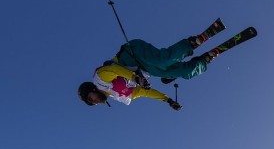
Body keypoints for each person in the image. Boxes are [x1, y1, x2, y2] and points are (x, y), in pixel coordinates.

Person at [77, 18, 226, 110]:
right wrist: (167, 100)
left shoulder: (99, 80)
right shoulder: (120, 97)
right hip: (145, 69)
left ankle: (193, 43)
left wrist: (135, 78)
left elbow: (113, 69)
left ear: (90, 89)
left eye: (90, 98)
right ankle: (203, 61)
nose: (94, 101)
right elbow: (144, 92)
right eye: (92, 103)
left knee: (162, 61)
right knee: (178, 73)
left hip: (132, 54)